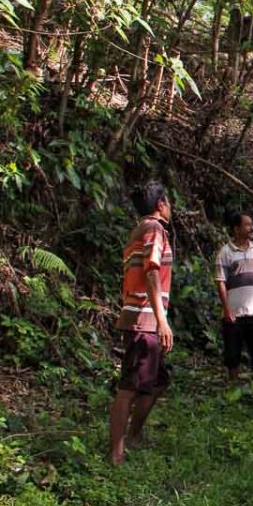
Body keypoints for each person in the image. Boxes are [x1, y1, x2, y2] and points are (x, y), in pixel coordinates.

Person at [110, 181, 174, 465]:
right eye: (168, 202)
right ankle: (116, 453)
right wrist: (161, 321)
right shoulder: (154, 230)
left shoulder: (140, 230)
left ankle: (134, 436)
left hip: (145, 318)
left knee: (158, 380)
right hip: (144, 320)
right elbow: (151, 273)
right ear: (161, 204)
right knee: (130, 387)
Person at [215, 212, 253, 382]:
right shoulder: (225, 253)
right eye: (247, 225)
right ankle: (233, 389)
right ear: (236, 228)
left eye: (252, 224)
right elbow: (220, 282)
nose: (251, 228)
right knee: (232, 356)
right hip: (234, 314)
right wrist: (226, 310)